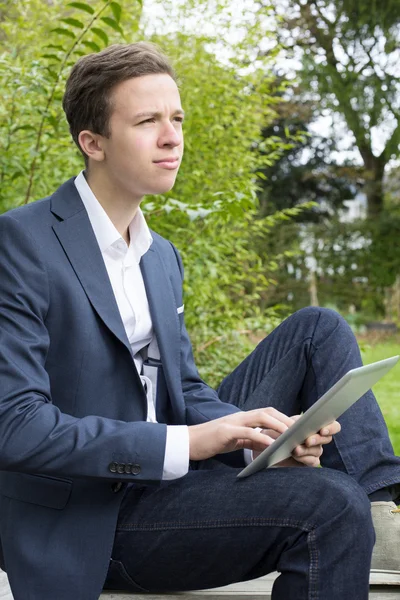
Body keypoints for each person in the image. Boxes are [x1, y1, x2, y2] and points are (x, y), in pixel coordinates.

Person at [0, 42, 399, 600]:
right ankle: (362, 511)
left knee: (320, 328)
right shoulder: (21, 243)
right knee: (329, 504)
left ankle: (385, 508)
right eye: (147, 121)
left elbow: (183, 387)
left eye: (177, 118)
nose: (172, 137)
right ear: (92, 143)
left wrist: (257, 438)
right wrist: (186, 442)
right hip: (95, 513)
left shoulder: (160, 255)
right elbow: (14, 427)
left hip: (172, 473)